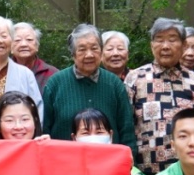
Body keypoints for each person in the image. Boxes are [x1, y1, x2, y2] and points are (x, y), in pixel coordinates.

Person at [125, 17, 194, 175]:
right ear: (152, 45)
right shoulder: (135, 78)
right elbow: (126, 125)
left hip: (189, 171)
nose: (165, 46)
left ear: (183, 45)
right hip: (146, 171)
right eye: (159, 40)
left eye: (172, 40)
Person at [42, 24, 136, 152]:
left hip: (108, 160)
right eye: (82, 49)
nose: (89, 54)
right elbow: (44, 129)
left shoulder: (114, 83)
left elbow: (127, 130)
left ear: (101, 51)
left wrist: (130, 158)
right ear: (73, 54)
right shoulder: (55, 83)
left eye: (94, 48)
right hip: (64, 159)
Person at [11, 22, 59, 93]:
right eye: (17, 40)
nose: (23, 44)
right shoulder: (2, 73)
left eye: (29, 39)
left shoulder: (53, 74)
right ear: (10, 47)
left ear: (37, 46)